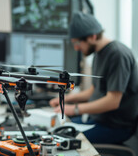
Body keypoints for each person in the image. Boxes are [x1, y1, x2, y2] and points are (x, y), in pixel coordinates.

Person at [50, 12, 138, 144]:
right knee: (55, 129)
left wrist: (74, 109)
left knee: (63, 139)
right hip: (97, 120)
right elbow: (94, 90)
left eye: (77, 43)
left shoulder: (118, 55)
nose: (76, 48)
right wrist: (65, 99)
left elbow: (112, 101)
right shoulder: (98, 53)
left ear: (92, 36)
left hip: (115, 127)